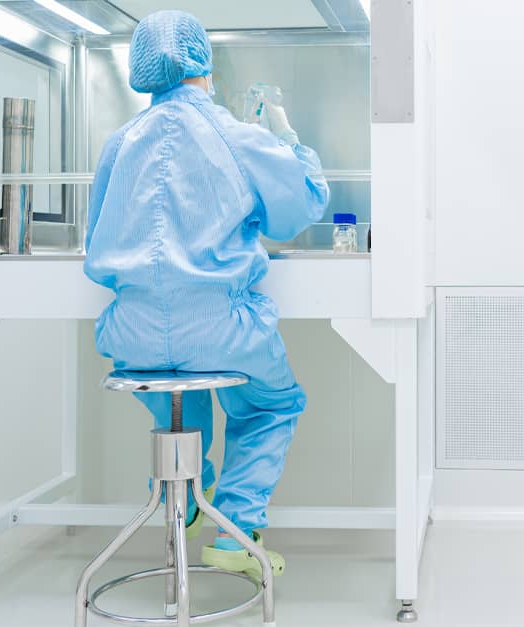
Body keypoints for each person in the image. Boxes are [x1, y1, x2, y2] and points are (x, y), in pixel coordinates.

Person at [84, 10, 329, 577]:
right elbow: (298, 208)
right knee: (270, 405)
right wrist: (288, 140)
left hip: (133, 337)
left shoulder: (119, 143)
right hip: (223, 330)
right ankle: (236, 532)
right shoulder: (234, 134)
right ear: (203, 64)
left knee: (177, 403)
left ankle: (184, 496)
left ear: (141, 69)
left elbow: (96, 235)